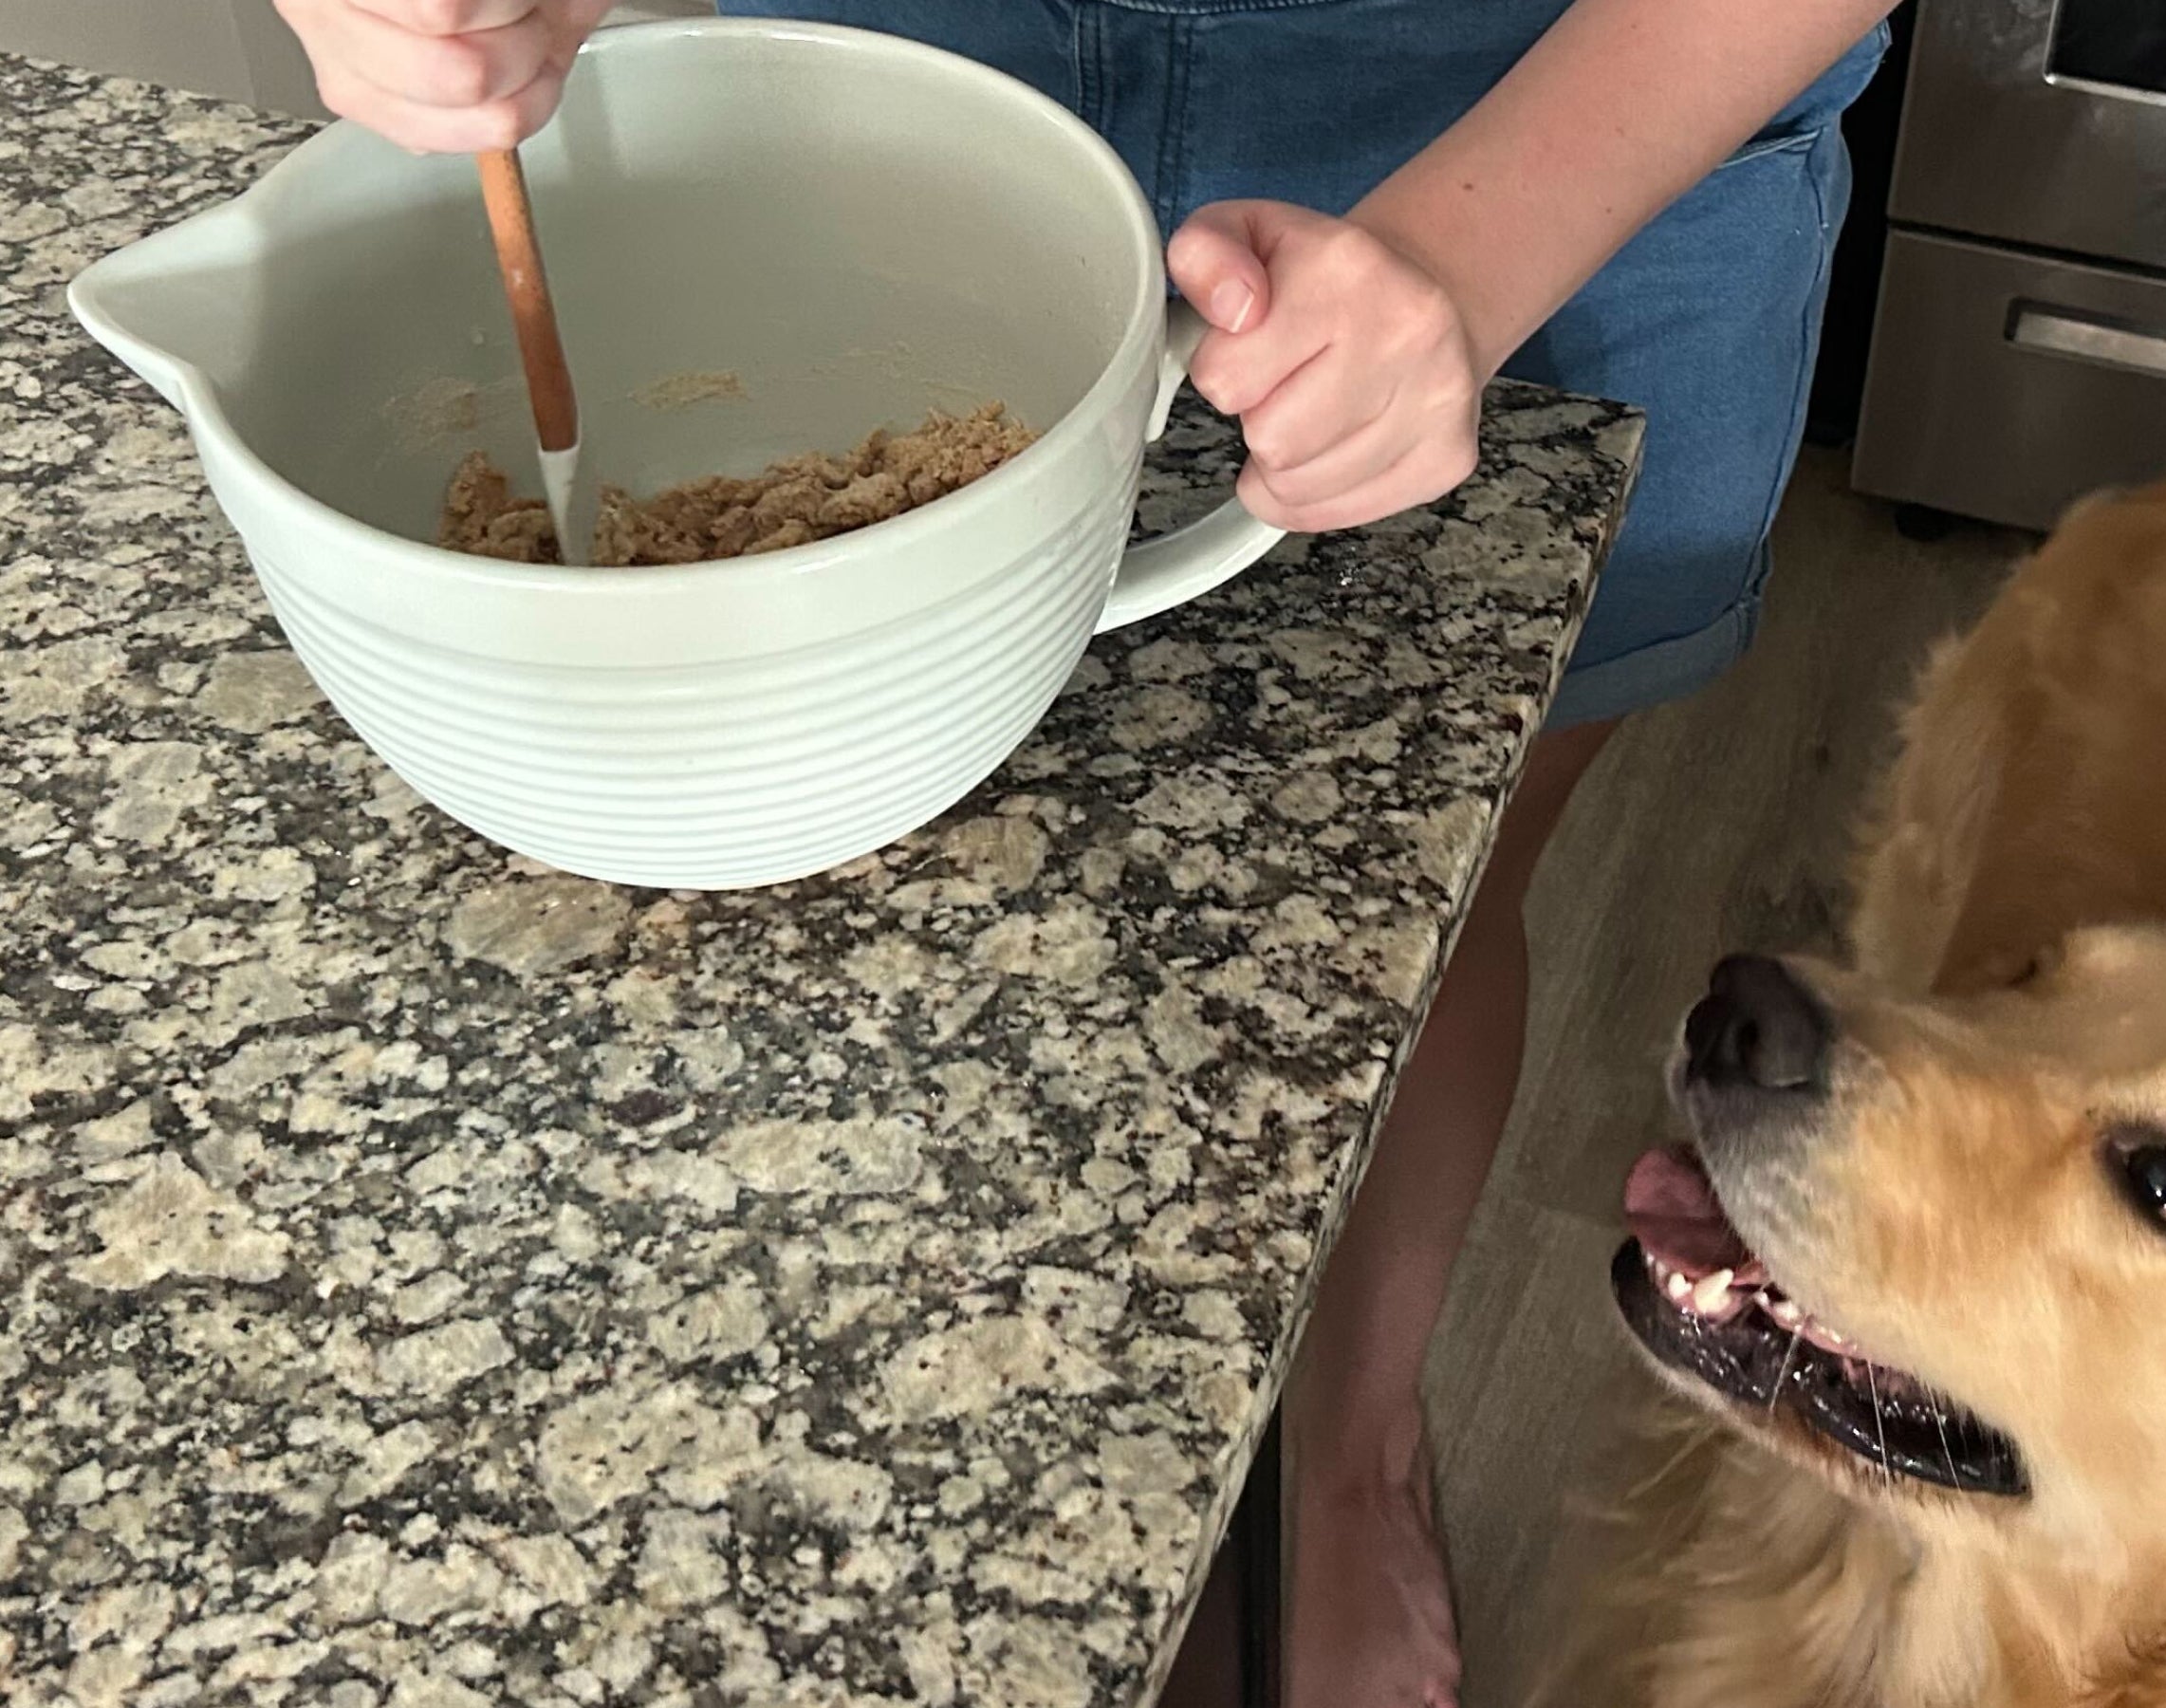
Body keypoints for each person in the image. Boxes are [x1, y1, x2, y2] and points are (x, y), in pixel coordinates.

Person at [270, 0, 1893, 1699]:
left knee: (1426, 890)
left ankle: (1351, 1460)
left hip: (1570, 108)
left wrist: (1472, 264)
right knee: (903, 905)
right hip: (889, 82)